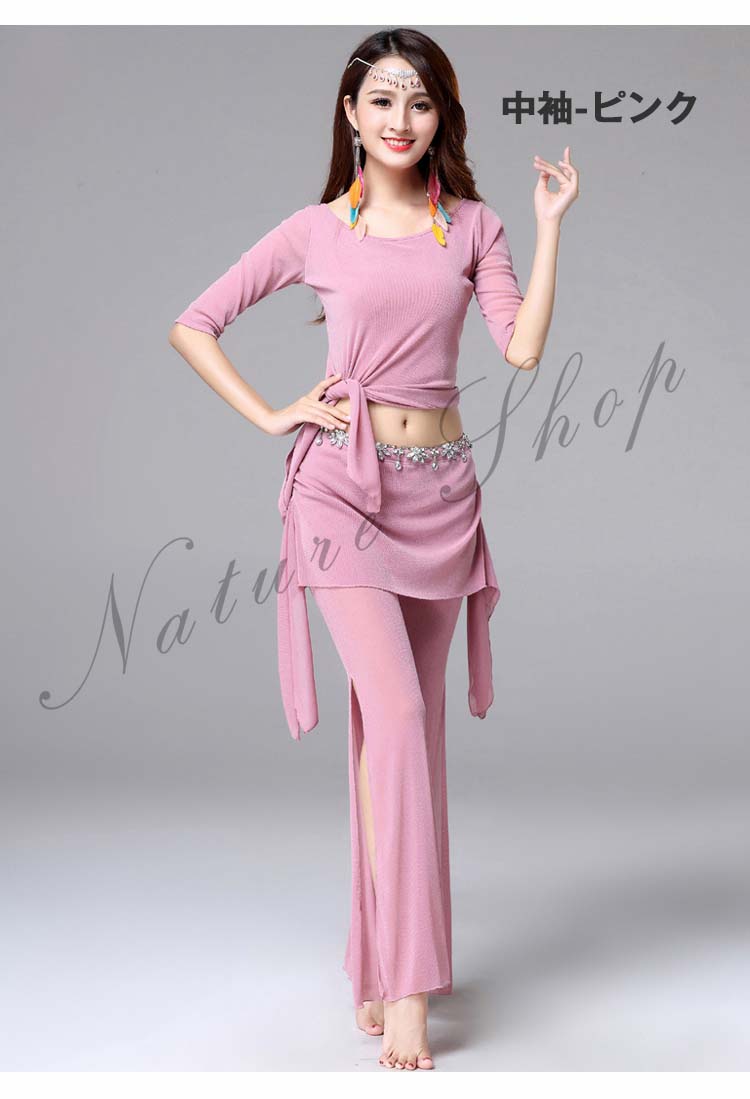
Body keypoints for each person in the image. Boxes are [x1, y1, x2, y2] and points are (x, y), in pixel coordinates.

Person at [169, 27, 578, 1071]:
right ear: (350, 114)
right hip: (339, 495)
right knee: (391, 716)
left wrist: (547, 229)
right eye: (384, 100)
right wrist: (274, 414)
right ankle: (406, 986)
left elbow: (522, 348)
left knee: (408, 735)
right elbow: (196, 323)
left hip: (442, 498)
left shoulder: (474, 225)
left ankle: (374, 957)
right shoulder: (316, 230)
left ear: (443, 118)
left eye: (421, 102)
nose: (402, 119)